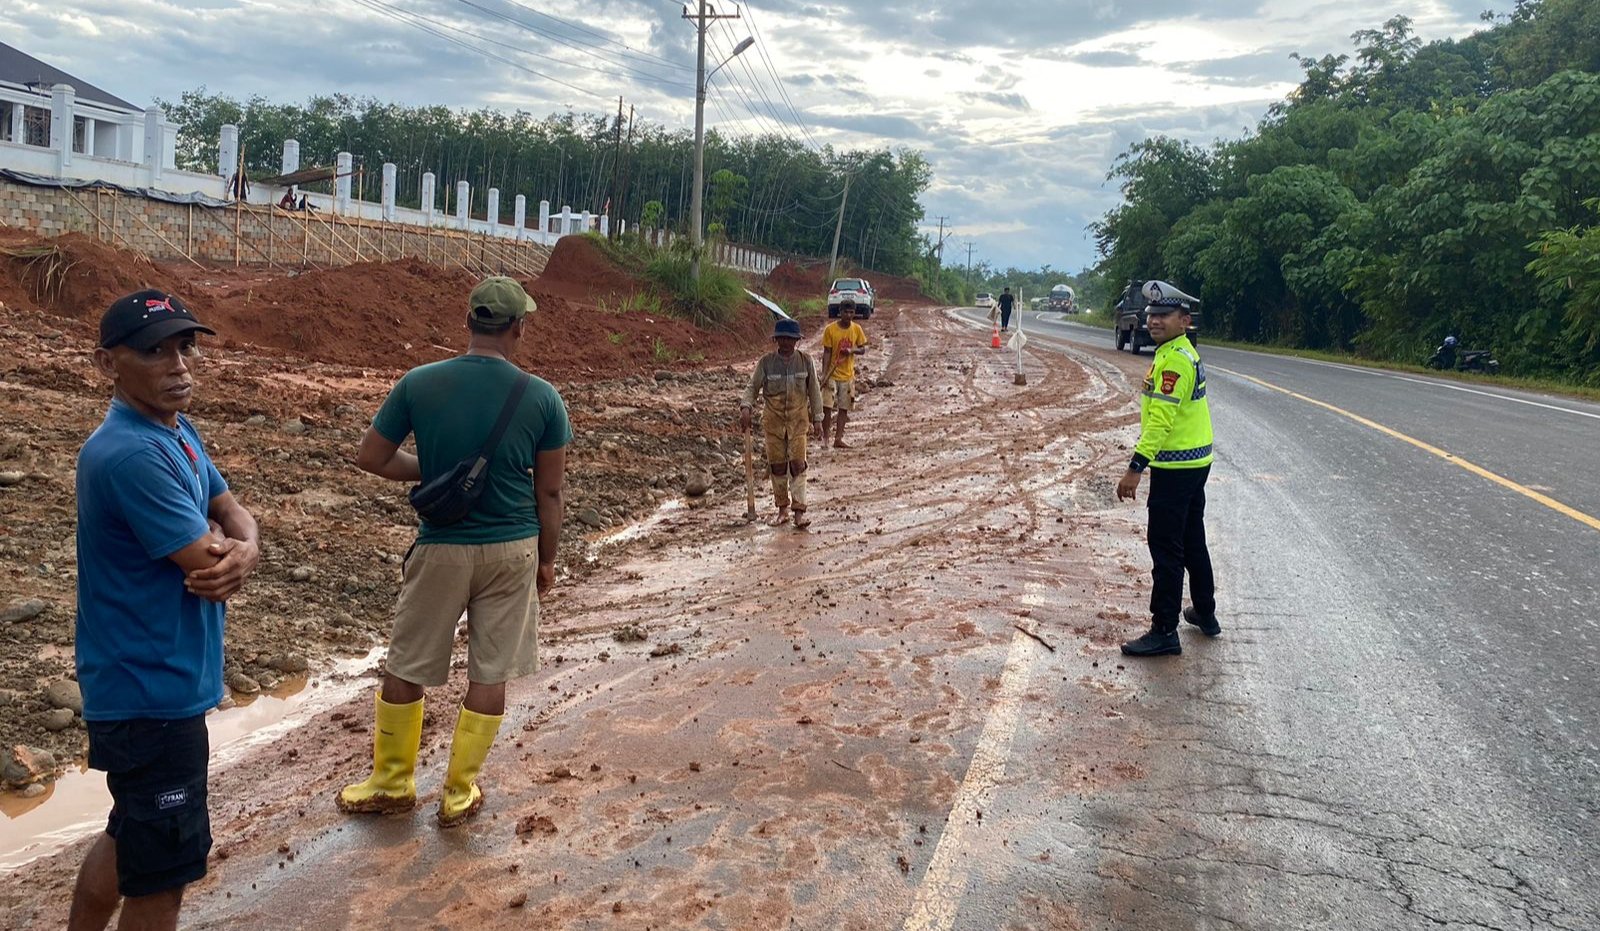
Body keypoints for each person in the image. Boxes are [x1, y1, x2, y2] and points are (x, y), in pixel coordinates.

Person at [337, 276, 570, 827]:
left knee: (406, 666)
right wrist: (546, 560)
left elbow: (370, 456)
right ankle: (459, 792)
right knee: (489, 675)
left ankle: (392, 783)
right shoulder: (542, 398)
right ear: (518, 328)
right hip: (514, 549)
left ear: (467, 323)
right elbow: (551, 492)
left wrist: (440, 471)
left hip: (441, 547)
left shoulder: (419, 383)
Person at [69, 290, 261, 931]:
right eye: (155, 351)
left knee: (131, 839)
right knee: (162, 882)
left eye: (185, 347)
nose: (179, 365)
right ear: (107, 364)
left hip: (147, 689)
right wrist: (230, 550)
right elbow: (206, 558)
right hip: (150, 696)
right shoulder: (129, 453)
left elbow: (229, 508)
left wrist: (247, 544)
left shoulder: (172, 430)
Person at [1115, 280, 1218, 657]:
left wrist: (1135, 467)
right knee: (1192, 539)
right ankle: (1205, 612)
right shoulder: (1179, 351)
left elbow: (1160, 421)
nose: (1154, 321)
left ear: (1184, 319)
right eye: (1152, 315)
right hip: (1196, 461)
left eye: (1163, 315)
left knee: (1165, 547)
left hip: (1176, 467)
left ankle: (1164, 629)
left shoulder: (1173, 359)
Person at [740, 317, 824, 528]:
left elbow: (814, 391)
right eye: (782, 339)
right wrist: (745, 407)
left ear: (797, 341)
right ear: (776, 340)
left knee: (797, 465)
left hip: (798, 423)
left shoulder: (806, 361)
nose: (786, 343)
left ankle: (799, 512)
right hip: (774, 423)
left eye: (790, 339)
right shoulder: (766, 363)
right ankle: (782, 510)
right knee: (777, 467)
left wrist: (818, 419)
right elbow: (752, 387)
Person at [821, 299, 868, 449]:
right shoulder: (830, 330)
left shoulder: (857, 329)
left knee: (844, 407)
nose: (848, 315)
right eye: (845, 312)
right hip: (832, 374)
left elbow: (862, 349)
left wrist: (851, 351)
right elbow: (826, 352)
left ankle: (838, 439)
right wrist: (824, 374)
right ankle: (825, 439)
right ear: (840, 312)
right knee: (827, 407)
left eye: (851, 312)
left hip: (848, 375)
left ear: (854, 313)